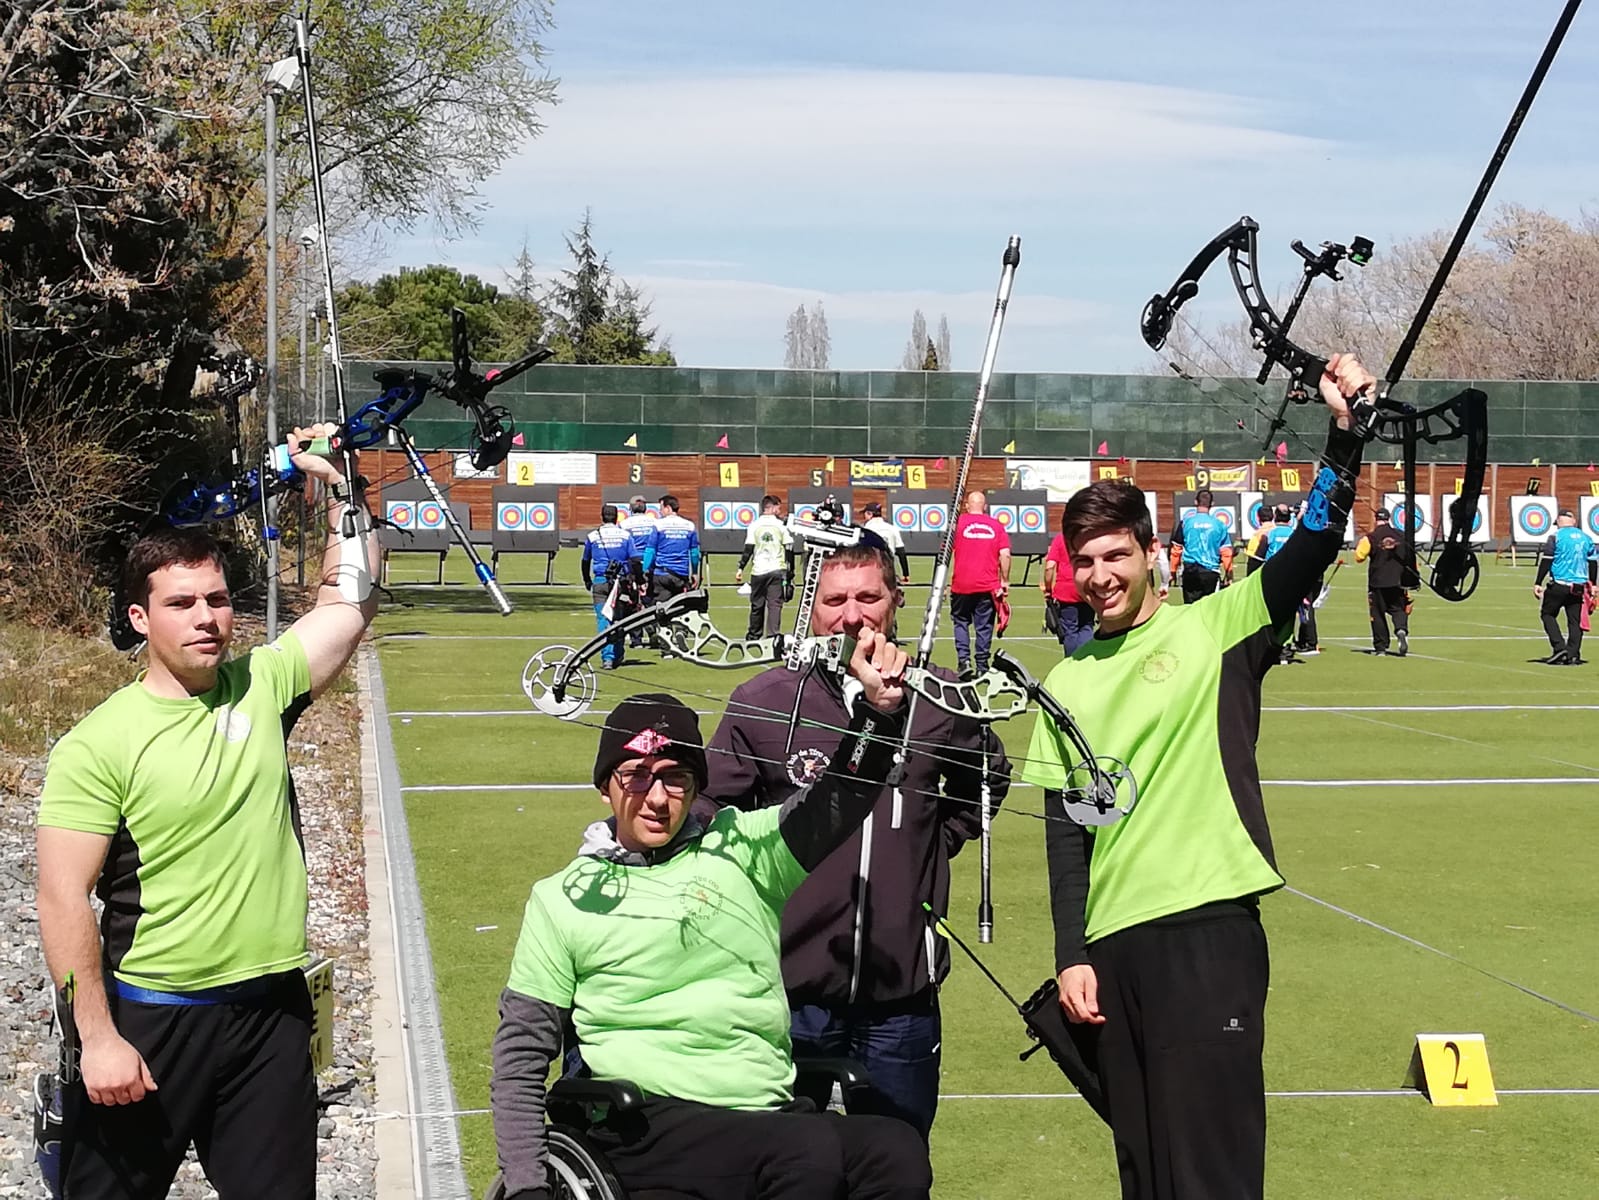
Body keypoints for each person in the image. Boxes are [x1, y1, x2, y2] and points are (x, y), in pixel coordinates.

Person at [1022, 353, 1373, 1200]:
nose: (1099, 575)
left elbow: (1314, 542)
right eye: (1084, 561)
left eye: (1114, 555)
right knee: (1143, 1173)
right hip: (1110, 953)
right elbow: (1067, 837)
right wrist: (1072, 957)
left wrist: (1343, 436)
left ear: (1152, 553)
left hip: (1206, 932)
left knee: (1209, 1172)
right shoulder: (1064, 680)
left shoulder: (1222, 626)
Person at [35, 423, 379, 1199]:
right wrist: (96, 1039)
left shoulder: (265, 686)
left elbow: (351, 601)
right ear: (138, 619)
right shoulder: (98, 744)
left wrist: (339, 487)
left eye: (218, 599)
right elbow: (60, 898)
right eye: (182, 603)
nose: (206, 618)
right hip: (150, 1021)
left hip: (270, 1015)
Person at [490, 659, 935, 1200]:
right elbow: (520, 1055)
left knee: (895, 1149)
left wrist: (876, 715)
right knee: (803, 1151)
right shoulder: (561, 898)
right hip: (643, 1124)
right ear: (606, 786)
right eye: (636, 777)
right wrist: (525, 1185)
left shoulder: (743, 849)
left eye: (675, 779)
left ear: (696, 786)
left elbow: (835, 800)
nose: (657, 799)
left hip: (765, 1112)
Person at [702, 543, 1010, 1140]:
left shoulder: (942, 699)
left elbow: (986, 782)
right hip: (788, 996)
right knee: (782, 1167)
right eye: (834, 600)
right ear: (811, 608)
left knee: (896, 1165)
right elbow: (715, 812)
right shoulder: (764, 702)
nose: (852, 616)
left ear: (896, 602)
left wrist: (929, 846)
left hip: (902, 998)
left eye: (868, 597)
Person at [949, 490, 1010, 678]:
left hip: (961, 584)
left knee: (961, 622)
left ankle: (964, 660)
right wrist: (1005, 580)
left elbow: (945, 554)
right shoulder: (997, 525)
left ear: (967, 506)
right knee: (984, 626)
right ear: (985, 507)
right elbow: (1005, 554)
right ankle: (982, 665)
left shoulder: (957, 524)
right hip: (987, 585)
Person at [1533, 509, 1598, 665]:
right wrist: (1594, 584)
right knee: (1575, 621)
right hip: (1578, 587)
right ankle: (1573, 653)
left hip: (1559, 584)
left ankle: (1559, 647)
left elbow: (1547, 560)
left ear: (1559, 522)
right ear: (1573, 522)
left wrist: (1538, 582)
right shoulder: (1586, 538)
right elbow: (1593, 562)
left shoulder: (1555, 537)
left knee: (1547, 614)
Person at [581, 503, 642, 669]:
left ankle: (606, 658)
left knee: (603, 620)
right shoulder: (625, 535)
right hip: (620, 584)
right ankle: (618, 654)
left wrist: (587, 580)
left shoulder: (593, 536)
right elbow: (635, 560)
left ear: (602, 517)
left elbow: (585, 561)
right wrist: (640, 580)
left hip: (600, 582)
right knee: (619, 619)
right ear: (616, 518)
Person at [735, 495, 795, 639]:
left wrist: (740, 568)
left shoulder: (754, 525)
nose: (780, 511)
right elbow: (789, 548)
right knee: (775, 605)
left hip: (759, 571)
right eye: (779, 507)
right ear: (772, 507)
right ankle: (773, 636)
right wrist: (790, 571)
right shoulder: (781, 526)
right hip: (777, 570)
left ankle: (754, 636)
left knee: (757, 605)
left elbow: (748, 549)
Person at [1355, 506, 1409, 656]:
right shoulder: (1401, 535)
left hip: (1377, 582)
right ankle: (1401, 629)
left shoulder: (1370, 537)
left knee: (1377, 614)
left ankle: (1381, 647)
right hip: (1397, 580)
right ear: (1389, 519)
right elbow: (1408, 557)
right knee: (1398, 609)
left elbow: (1359, 557)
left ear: (1376, 519)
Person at [1169, 489, 1234, 604]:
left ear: (1195, 502)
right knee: (1210, 609)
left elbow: (1176, 550)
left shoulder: (1185, 523)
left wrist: (1173, 571)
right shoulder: (1220, 525)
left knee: (1190, 609)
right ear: (1212, 504)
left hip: (1190, 571)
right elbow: (1226, 552)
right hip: (1211, 573)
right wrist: (1229, 573)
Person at [1043, 528, 1095, 654]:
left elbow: (1050, 567)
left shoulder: (1060, 538)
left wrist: (1048, 588)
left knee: (1070, 631)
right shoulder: (1090, 536)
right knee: (1087, 626)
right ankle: (1086, 660)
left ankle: (1071, 662)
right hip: (1087, 587)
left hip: (1066, 591)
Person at [620, 496, 659, 648]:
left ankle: (636, 640)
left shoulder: (624, 524)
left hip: (632, 566)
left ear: (630, 508)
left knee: (633, 602)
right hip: (650, 566)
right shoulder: (655, 523)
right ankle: (654, 632)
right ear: (646, 508)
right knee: (650, 600)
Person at [649, 494, 701, 603]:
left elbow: (650, 551)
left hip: (661, 575)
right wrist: (695, 573)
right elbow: (694, 553)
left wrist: (646, 571)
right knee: (678, 609)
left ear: (668, 508)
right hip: (680, 576)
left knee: (659, 609)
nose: (660, 512)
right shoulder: (689, 525)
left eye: (661, 508)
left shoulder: (658, 525)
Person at [861, 501, 911, 582]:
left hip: (870, 571)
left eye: (865, 513)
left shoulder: (865, 530)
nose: (864, 516)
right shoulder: (892, 528)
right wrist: (906, 574)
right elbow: (901, 552)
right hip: (888, 570)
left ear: (869, 514)